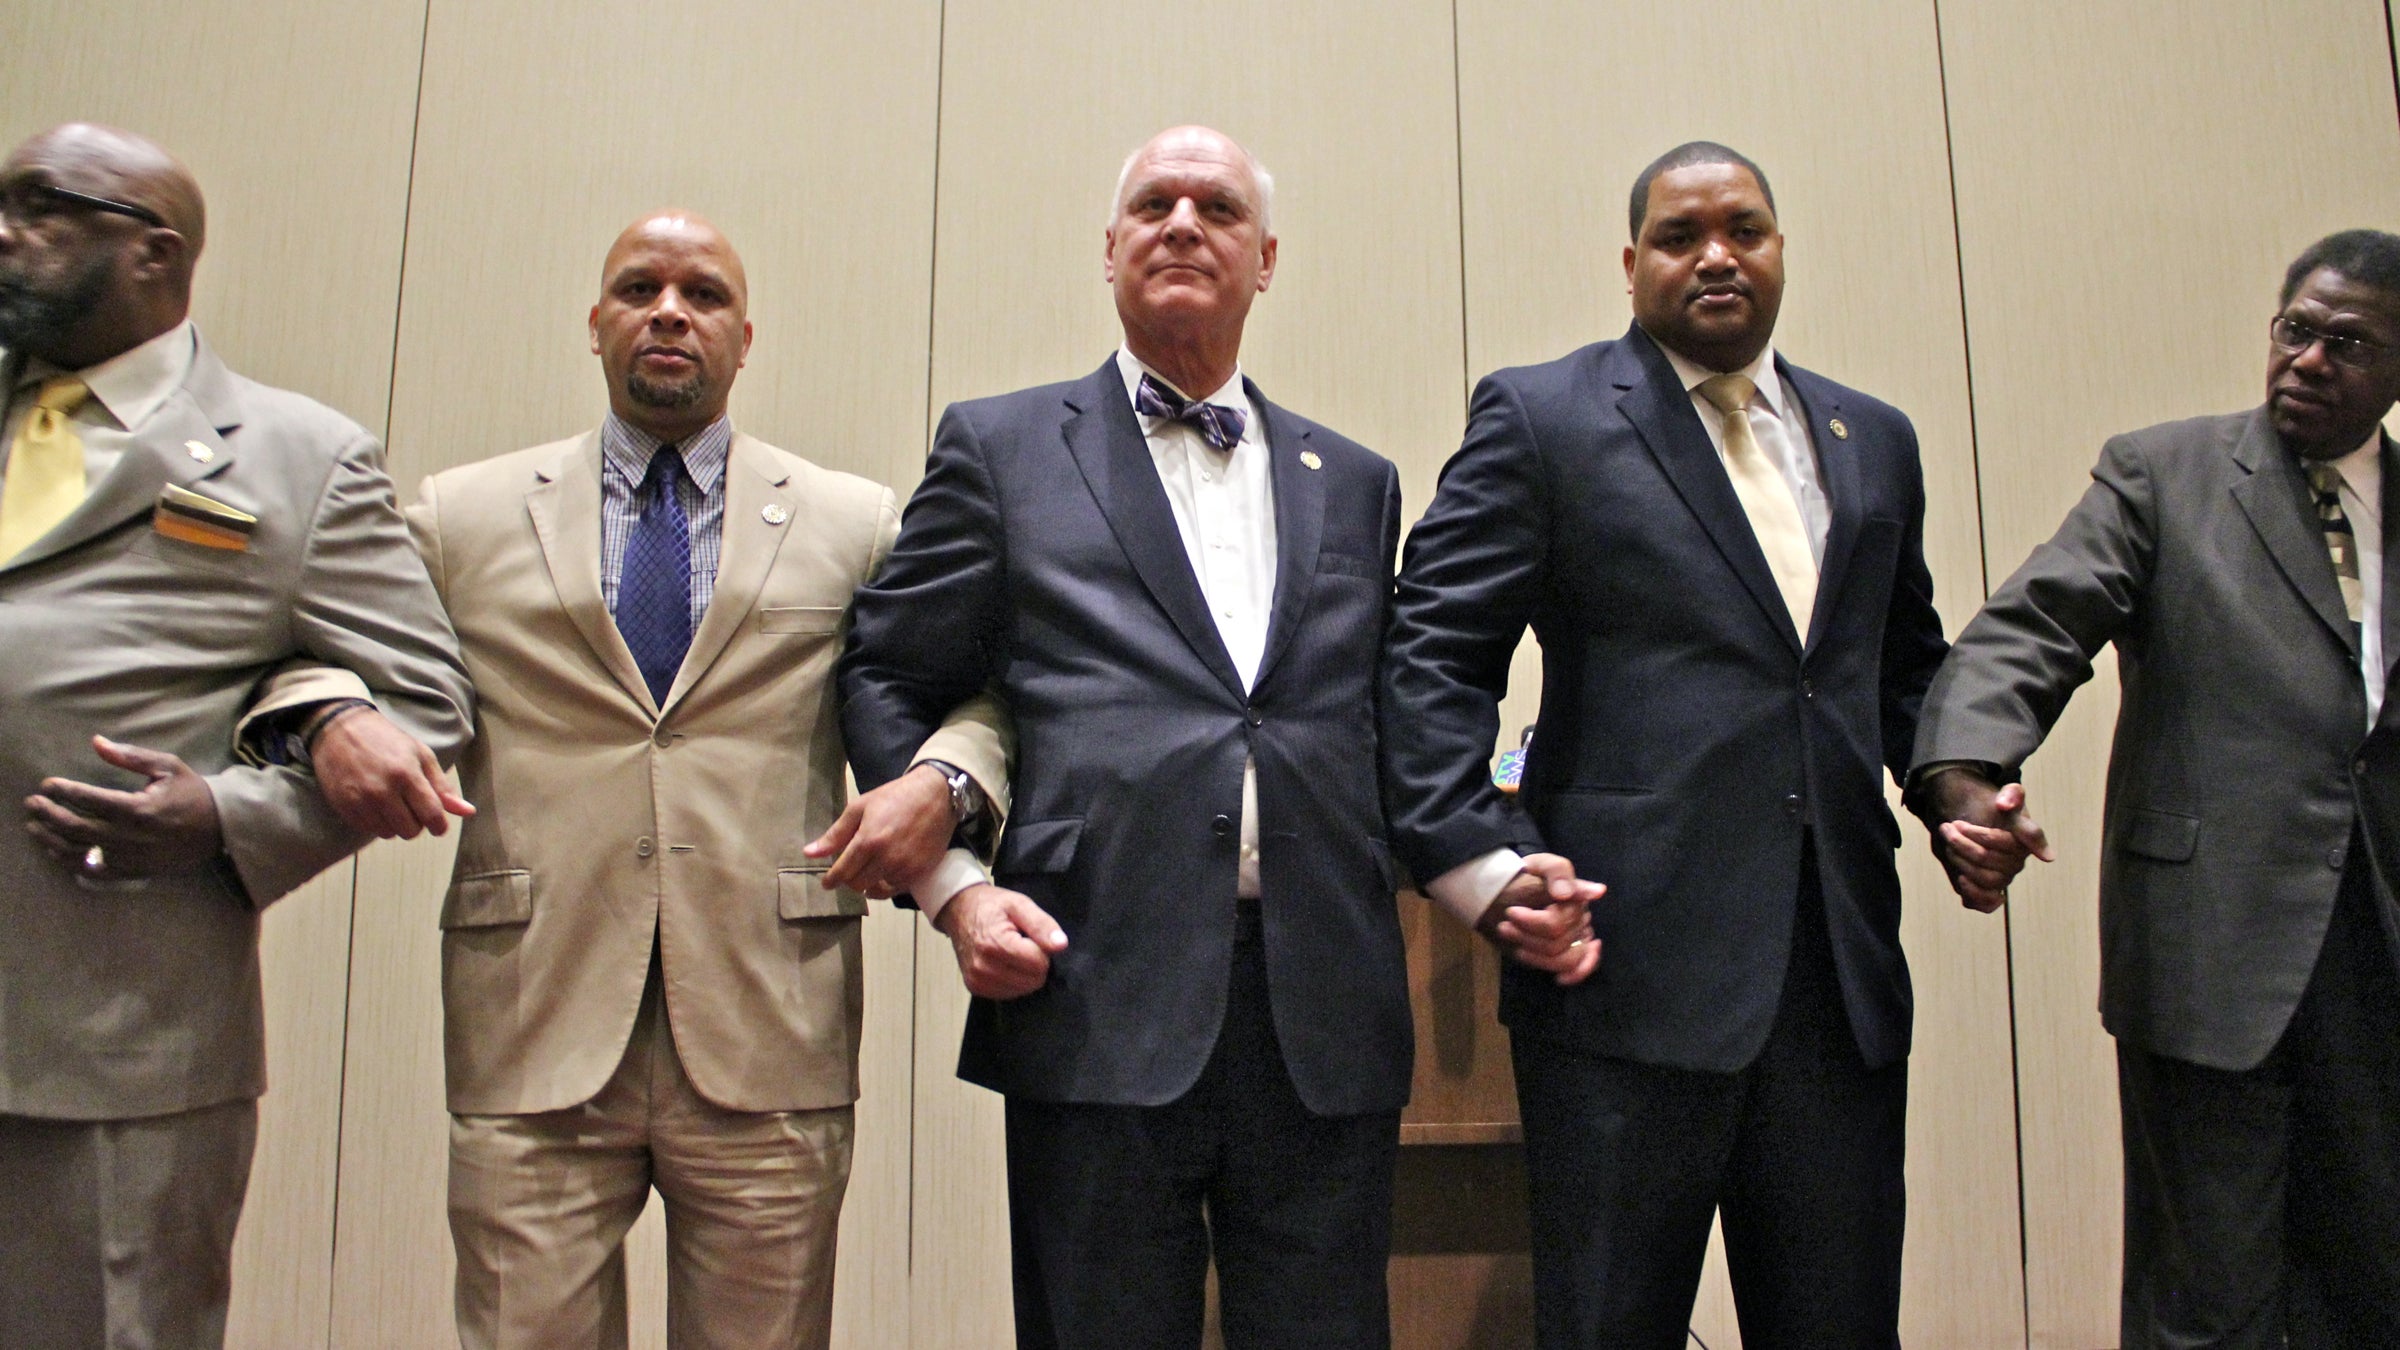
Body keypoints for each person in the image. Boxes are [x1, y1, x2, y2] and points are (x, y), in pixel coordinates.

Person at [837, 125, 1598, 1350]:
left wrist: (1497, 878)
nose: (1184, 223)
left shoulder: (1354, 479)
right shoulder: (1002, 447)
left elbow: (1395, 723)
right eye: (1154, 204)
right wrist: (955, 889)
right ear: (1111, 249)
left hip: (1325, 1003)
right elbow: (884, 668)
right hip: (1090, 986)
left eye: (1218, 209)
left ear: (1265, 259)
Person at [266, 210, 1008, 1348]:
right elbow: (320, 638)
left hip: (770, 1024)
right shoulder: (463, 514)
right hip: (534, 1020)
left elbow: (975, 688)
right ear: (598, 323)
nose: (671, 310)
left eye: (703, 294)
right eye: (640, 288)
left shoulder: (852, 520)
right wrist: (329, 715)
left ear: (744, 339)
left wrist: (945, 783)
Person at [1381, 141, 1952, 1348]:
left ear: (1781, 249)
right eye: (1682, 236)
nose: (1716, 256)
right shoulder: (1544, 418)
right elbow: (1430, 661)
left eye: (1743, 228)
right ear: (1631, 263)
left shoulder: (1874, 437)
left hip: (1836, 979)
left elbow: (1904, 671)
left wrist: (1958, 786)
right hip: (1622, 978)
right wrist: (1483, 861)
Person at [0, 123, 472, 1347]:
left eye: (43, 204)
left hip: (106, 1029)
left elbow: (425, 702)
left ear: (157, 254)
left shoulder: (297, 459)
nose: (6, 228)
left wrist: (229, 814)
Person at [1910, 228, 2400, 1348]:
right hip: (2212, 947)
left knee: (2374, 1282)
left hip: (2378, 956)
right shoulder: (2167, 475)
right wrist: (1966, 773)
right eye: (2295, 330)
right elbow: (2030, 631)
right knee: (2208, 1301)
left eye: (2349, 342)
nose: (2310, 359)